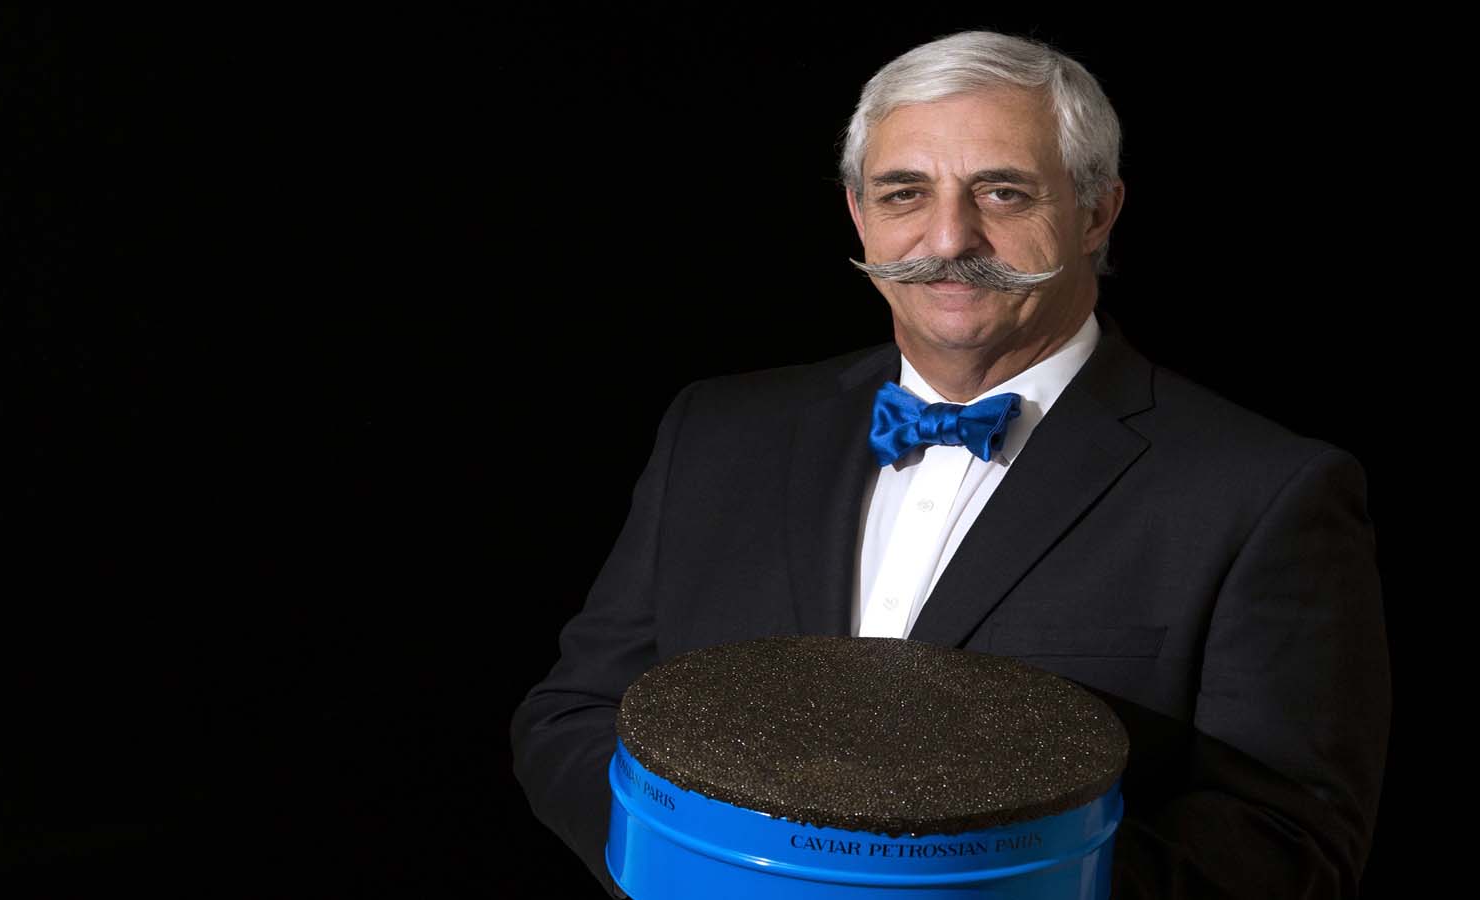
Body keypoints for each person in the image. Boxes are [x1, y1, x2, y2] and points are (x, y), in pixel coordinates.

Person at [511, 30, 1389, 899]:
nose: (948, 235)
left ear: (1096, 212)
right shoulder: (717, 432)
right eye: (904, 193)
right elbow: (573, 717)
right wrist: (698, 876)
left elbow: (1286, 839)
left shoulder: (1262, 493)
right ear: (859, 214)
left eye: (1003, 192)